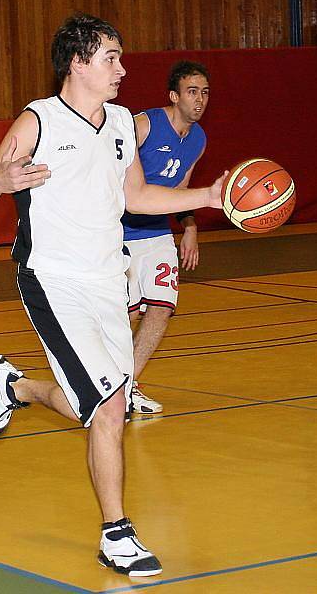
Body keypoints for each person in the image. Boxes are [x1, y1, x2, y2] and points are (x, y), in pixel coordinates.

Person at [0, 14, 224, 577]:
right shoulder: (37, 121)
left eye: (120, 57)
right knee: (106, 405)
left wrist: (209, 195)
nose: (122, 69)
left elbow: (136, 196)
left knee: (105, 404)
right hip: (51, 280)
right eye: (111, 58)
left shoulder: (124, 123)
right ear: (77, 62)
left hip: (109, 278)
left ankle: (16, 386)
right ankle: (117, 534)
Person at [122, 60, 210, 414]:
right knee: (125, 316)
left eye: (204, 93)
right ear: (174, 96)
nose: (199, 100)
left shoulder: (198, 139)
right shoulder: (143, 125)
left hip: (157, 233)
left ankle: (128, 384)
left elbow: (182, 190)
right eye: (192, 92)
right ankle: (107, 383)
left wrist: (189, 227)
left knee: (161, 308)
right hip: (120, 232)